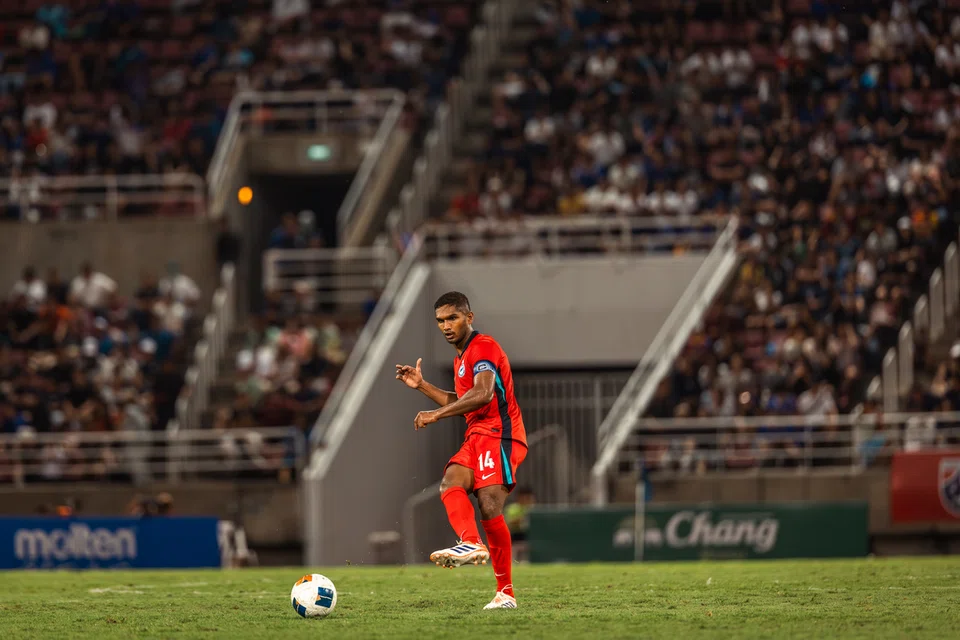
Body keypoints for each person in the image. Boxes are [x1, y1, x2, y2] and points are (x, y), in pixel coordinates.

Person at [396, 291, 527, 610]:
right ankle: (471, 542)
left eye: (452, 318)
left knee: (489, 504)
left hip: (500, 434)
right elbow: (464, 401)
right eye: (440, 320)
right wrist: (423, 386)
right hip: (477, 435)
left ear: (469, 317)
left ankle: (505, 593)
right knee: (450, 482)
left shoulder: (484, 347)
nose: (446, 326)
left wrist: (435, 415)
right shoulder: (461, 359)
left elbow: (483, 394)